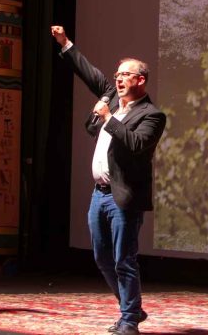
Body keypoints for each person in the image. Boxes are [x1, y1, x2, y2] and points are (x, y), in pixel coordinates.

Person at [50, 25, 167, 335]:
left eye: (125, 75)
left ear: (140, 80)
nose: (118, 79)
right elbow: (90, 74)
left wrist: (107, 119)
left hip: (124, 196)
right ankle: (133, 308)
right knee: (103, 258)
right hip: (99, 194)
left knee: (123, 260)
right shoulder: (113, 97)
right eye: (117, 74)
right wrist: (65, 44)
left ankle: (129, 320)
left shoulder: (152, 115)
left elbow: (138, 145)